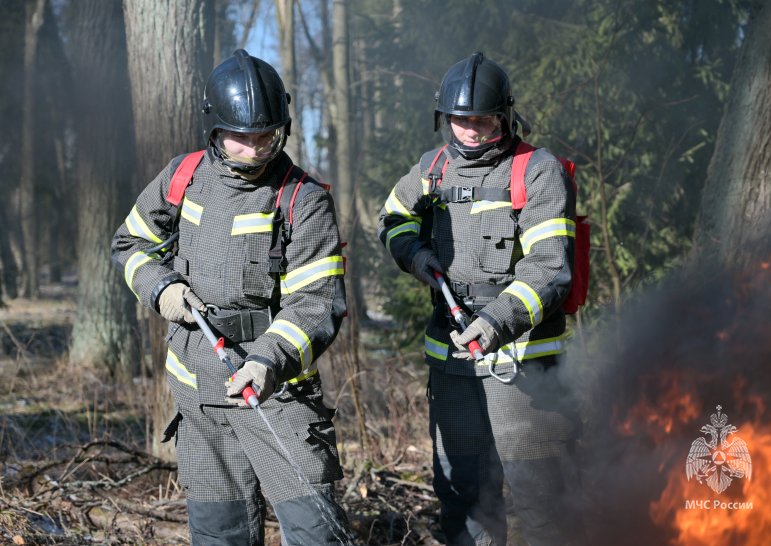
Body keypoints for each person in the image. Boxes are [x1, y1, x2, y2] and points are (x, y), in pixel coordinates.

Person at [112, 50, 352, 546]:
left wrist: (268, 360)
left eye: (267, 135)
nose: (256, 149)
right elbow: (129, 243)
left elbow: (317, 302)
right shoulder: (183, 177)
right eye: (242, 138)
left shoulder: (303, 200)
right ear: (215, 129)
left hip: (279, 396)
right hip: (200, 401)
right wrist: (161, 287)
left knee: (316, 535)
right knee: (220, 535)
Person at [378, 52, 586, 545]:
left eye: (483, 121)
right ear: (443, 119)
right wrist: (414, 253)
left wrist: (495, 321)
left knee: (544, 505)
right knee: (464, 499)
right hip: (452, 371)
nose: (470, 131)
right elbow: (392, 219)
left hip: (525, 371)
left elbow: (551, 268)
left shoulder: (537, 171)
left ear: (505, 117)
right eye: (460, 121)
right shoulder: (429, 169)